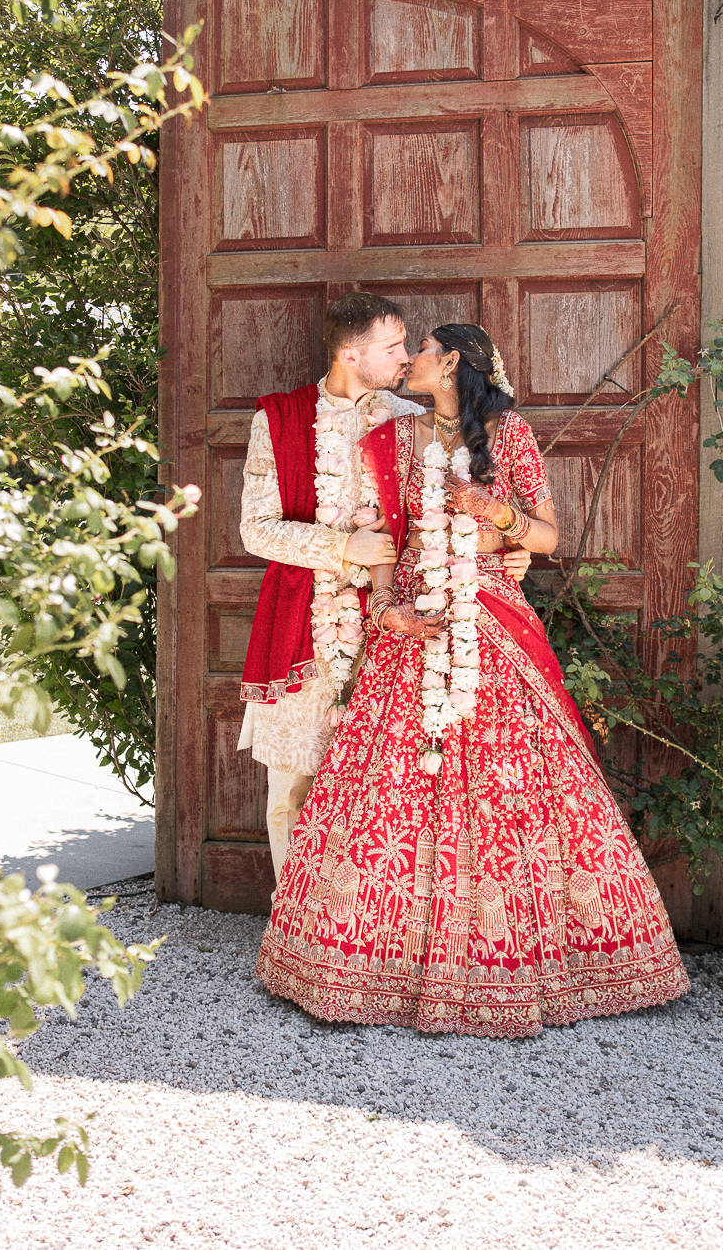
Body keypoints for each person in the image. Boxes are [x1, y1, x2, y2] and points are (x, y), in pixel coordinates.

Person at [255, 323, 689, 1037]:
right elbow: (388, 537)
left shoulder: (507, 432)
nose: (409, 361)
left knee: (506, 786)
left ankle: (524, 958)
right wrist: (387, 609)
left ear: (450, 361)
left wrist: (493, 514)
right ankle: (367, 963)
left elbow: (547, 538)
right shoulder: (395, 439)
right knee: (389, 791)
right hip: (415, 623)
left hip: (492, 620)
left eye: (419, 350)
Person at [238, 294, 533, 885]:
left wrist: (507, 545)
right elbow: (255, 528)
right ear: (351, 354)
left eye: (409, 346)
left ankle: (371, 932)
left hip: (402, 624)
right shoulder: (278, 418)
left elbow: (462, 507)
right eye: (393, 347)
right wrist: (344, 548)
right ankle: (295, 935)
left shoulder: (413, 418)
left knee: (389, 790)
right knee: (293, 786)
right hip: (307, 622)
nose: (406, 357)